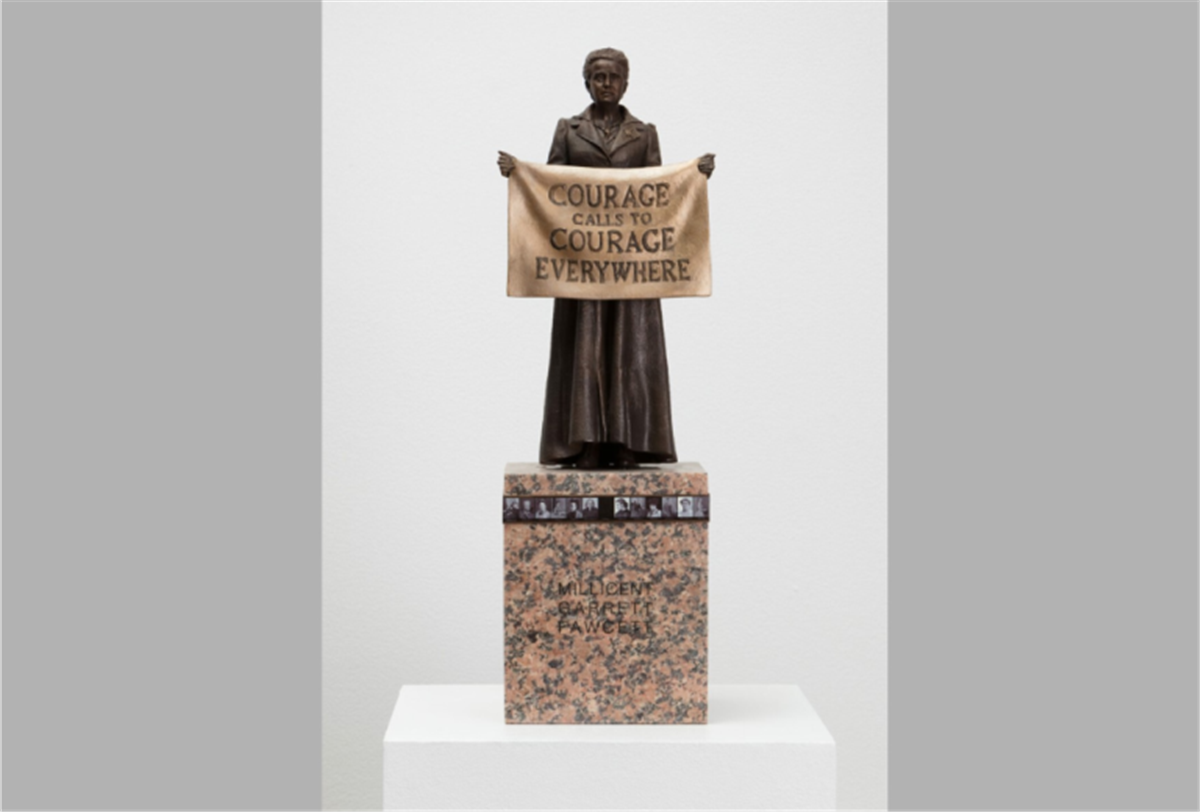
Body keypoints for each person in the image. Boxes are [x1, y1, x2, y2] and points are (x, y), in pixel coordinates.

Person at [499, 48, 714, 469]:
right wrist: (520, 173)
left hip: (632, 267)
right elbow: (552, 189)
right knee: (585, 347)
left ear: (626, 83)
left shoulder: (644, 133)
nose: (606, 84)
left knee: (631, 350)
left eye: (614, 77)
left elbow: (661, 194)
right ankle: (586, 443)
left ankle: (626, 442)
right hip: (582, 266)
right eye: (598, 77)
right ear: (587, 83)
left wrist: (693, 175)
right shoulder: (569, 129)